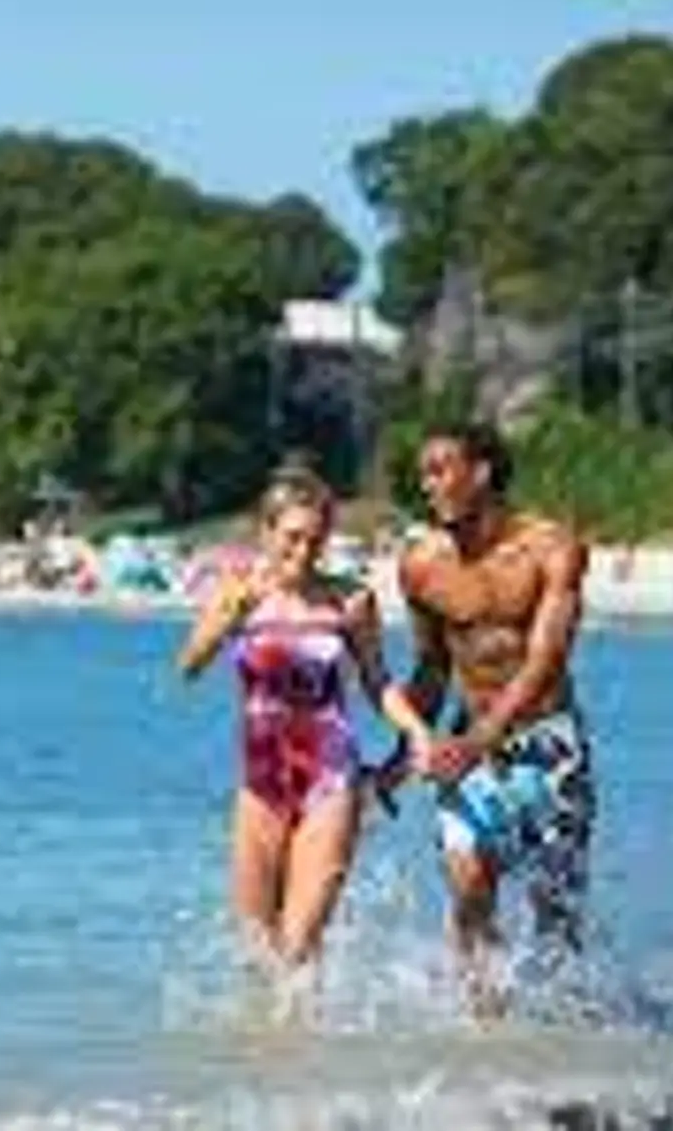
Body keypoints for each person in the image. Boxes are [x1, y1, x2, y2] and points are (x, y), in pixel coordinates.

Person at [177, 463, 431, 991]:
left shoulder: (351, 601)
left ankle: (298, 1054)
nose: (304, 551)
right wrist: (225, 623)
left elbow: (378, 683)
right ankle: (274, 1068)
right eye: (292, 537)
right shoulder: (237, 593)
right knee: (255, 954)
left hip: (331, 783)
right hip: (261, 785)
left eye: (316, 539)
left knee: (298, 951)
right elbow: (189, 667)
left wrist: (417, 734)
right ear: (265, 533)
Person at [386, 422, 595, 1011]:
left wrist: (481, 739)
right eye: (423, 472)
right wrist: (403, 753)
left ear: (480, 472)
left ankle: (563, 1036)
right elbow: (431, 668)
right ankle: (488, 1033)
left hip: (550, 748)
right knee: (470, 887)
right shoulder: (421, 564)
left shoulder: (552, 549)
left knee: (556, 915)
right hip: (466, 745)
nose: (427, 485)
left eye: (439, 469)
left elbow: (545, 661)